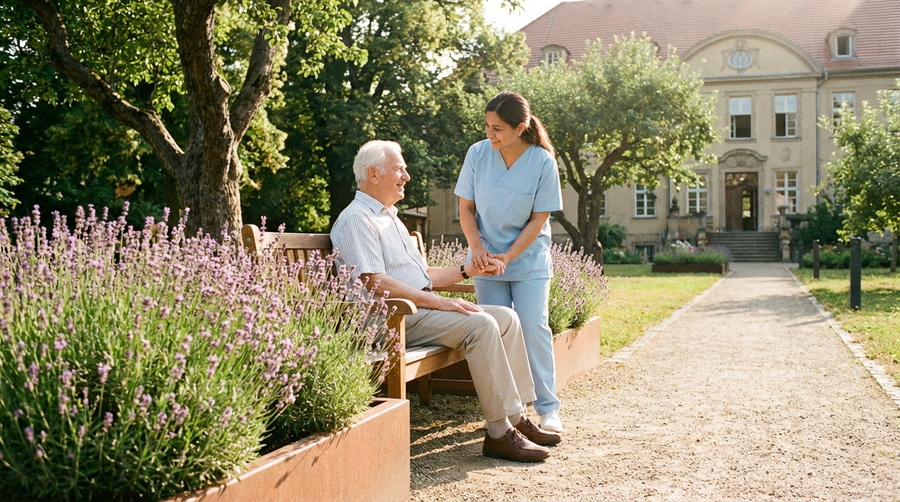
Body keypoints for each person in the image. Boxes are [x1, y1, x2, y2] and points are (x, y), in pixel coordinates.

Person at [331, 140, 561, 462]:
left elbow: (422, 275)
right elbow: (375, 283)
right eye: (400, 168)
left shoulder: (390, 219)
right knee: (480, 325)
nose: (406, 176)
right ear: (373, 173)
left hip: (415, 313)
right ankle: (499, 434)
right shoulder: (358, 219)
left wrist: (468, 268)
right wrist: (440, 303)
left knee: (507, 318)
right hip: (388, 320)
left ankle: (516, 417)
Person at [454, 91, 565, 433]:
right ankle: (510, 412)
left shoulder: (543, 162)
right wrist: (477, 249)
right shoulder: (477, 153)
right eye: (487, 126)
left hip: (527, 259)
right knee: (495, 334)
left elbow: (538, 219)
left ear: (520, 128)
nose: (490, 134)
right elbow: (466, 209)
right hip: (486, 261)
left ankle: (548, 408)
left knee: (534, 329)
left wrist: (509, 255)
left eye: (498, 128)